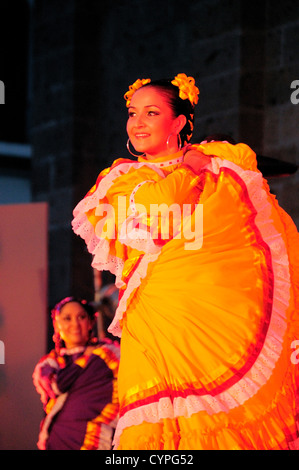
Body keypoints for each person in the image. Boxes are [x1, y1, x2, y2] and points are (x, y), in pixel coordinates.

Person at [72, 73, 299, 450]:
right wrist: (191, 167)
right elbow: (158, 214)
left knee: (219, 421)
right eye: (132, 113)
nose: (138, 122)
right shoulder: (122, 177)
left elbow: (251, 231)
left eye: (151, 112)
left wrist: (201, 162)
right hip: (158, 314)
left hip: (214, 311)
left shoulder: (220, 166)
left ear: (178, 122)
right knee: (152, 423)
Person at [33, 297, 120, 450]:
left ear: (91, 322)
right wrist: (85, 358)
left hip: (98, 439)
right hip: (59, 439)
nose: (75, 324)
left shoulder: (108, 353)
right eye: (67, 318)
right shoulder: (50, 363)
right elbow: (56, 385)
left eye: (81, 317)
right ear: (57, 325)